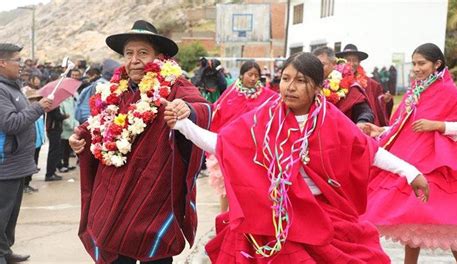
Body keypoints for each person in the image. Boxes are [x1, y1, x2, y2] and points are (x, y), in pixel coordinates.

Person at [163, 52, 429, 263]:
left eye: (300, 81)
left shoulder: (331, 120)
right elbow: (223, 144)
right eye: (286, 79)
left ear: (317, 88)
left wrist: (410, 172)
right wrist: (182, 125)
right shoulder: (264, 118)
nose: (290, 87)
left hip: (322, 214)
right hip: (273, 214)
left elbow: (368, 151)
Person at [68, 20, 210, 264]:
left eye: (143, 53)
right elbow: (98, 123)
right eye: (129, 53)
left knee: (155, 251)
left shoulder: (174, 86)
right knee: (114, 249)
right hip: (113, 195)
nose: (134, 60)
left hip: (153, 196)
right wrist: (79, 136)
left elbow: (203, 107)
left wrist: (185, 109)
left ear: (159, 57)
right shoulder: (114, 90)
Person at [361, 43, 457, 264]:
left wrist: (439, 126)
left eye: (421, 63)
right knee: (411, 220)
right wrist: (381, 130)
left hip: (443, 165)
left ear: (437, 64)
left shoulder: (448, 90)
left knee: (452, 224)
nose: (416, 68)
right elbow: (402, 124)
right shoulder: (417, 89)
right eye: (414, 63)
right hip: (414, 159)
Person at [0, 43, 53, 264]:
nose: (21, 66)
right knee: (2, 215)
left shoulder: (12, 87)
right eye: (17, 61)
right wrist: (38, 107)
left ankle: (5, 250)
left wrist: (34, 104)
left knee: (10, 216)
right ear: (2, 63)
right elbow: (10, 123)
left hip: (17, 164)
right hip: (6, 165)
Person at [206, 60, 277, 213]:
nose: (253, 78)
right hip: (230, 147)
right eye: (250, 74)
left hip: (254, 149)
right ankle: (224, 216)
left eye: (256, 75)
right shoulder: (230, 94)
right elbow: (217, 115)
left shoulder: (268, 96)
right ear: (241, 75)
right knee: (226, 183)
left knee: (249, 185)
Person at [313, 46, 374, 127]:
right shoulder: (309, 84)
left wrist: (362, 122)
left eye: (322, 65)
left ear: (334, 64)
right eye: (314, 65)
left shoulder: (349, 86)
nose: (317, 69)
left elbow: (364, 112)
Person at [336, 44, 388, 126]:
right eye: (348, 60)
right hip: (343, 122)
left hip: (365, 121)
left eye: (355, 60)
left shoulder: (369, 83)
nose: (352, 63)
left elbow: (378, 100)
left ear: (359, 62)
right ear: (341, 62)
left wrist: (384, 99)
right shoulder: (335, 81)